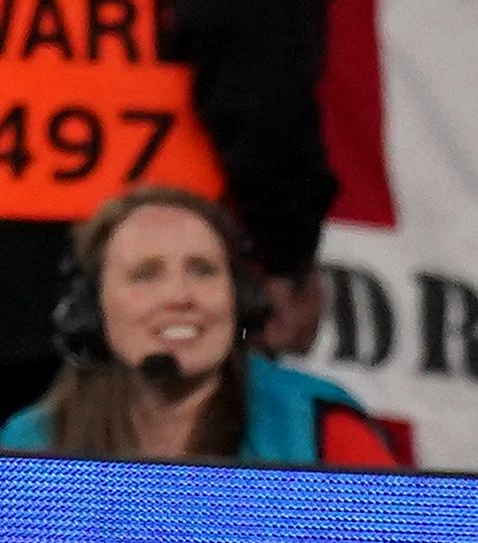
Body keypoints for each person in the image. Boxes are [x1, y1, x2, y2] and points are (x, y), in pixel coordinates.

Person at [0, 0, 336, 419]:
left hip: (119, 283)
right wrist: (283, 250)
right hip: (138, 286)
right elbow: (256, 38)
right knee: (120, 521)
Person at [2, 187, 402, 465]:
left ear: (241, 302)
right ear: (90, 313)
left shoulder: (319, 429)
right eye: (146, 275)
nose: (180, 296)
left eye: (203, 271)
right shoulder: (31, 445)